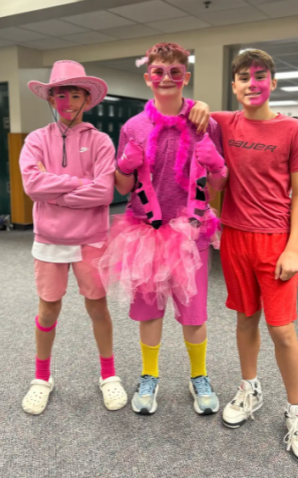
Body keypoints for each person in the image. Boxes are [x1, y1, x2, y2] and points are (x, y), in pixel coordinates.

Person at [186, 48, 298, 463]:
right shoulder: (224, 123)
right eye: (243, 77)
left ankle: (297, 412)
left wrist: (295, 248)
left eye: (260, 76)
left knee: (282, 330)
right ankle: (250, 388)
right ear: (234, 86)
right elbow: (181, 112)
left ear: (272, 83)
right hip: (235, 239)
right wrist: (201, 104)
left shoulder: (294, 130)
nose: (252, 83)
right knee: (246, 318)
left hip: (276, 241)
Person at [105, 42, 227, 416]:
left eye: (175, 72)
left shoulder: (206, 123)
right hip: (146, 232)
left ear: (185, 77)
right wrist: (125, 165)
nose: (166, 79)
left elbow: (220, 185)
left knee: (194, 314)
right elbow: (123, 188)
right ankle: (149, 376)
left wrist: (217, 163)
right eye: (159, 72)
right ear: (148, 78)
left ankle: (199, 377)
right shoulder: (132, 127)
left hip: (191, 234)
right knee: (149, 313)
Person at [16, 60, 126, 416]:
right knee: (48, 308)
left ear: (85, 99)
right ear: (50, 97)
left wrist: (57, 190)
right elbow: (32, 185)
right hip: (49, 239)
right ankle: (41, 378)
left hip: (91, 238)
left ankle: (108, 375)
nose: (66, 100)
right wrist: (82, 184)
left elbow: (104, 193)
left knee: (97, 306)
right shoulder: (35, 139)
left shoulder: (100, 141)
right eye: (59, 93)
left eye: (74, 93)